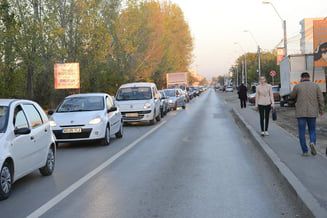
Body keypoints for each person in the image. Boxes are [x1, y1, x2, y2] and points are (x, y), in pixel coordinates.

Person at [290, 72, 324, 156]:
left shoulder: (297, 86)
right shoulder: (315, 86)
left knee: (301, 132)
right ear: (309, 77)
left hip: (301, 113)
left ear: (301, 78)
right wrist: (321, 110)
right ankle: (312, 142)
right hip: (312, 112)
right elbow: (321, 98)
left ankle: (305, 151)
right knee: (312, 130)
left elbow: (292, 96)